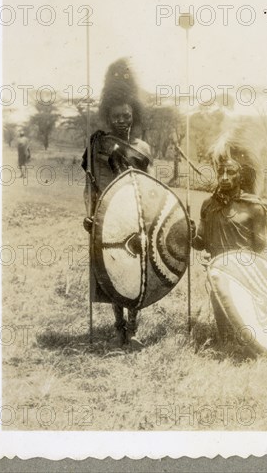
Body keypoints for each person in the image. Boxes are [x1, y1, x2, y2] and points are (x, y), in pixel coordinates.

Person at [191, 133, 267, 346]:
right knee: (227, 339)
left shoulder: (254, 208)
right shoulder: (208, 205)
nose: (224, 177)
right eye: (220, 171)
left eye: (230, 172)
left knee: (251, 338)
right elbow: (199, 243)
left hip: (247, 279)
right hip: (218, 279)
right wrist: (188, 231)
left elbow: (262, 251)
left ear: (241, 176)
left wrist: (242, 269)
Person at [82, 58, 152, 349]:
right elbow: (90, 185)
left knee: (135, 272)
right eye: (116, 117)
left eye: (126, 115)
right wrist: (89, 215)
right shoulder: (98, 144)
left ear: (133, 115)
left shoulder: (143, 148)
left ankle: (133, 327)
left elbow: (152, 188)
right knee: (111, 270)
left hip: (134, 217)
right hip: (106, 216)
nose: (122, 120)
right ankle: (118, 326)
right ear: (108, 117)